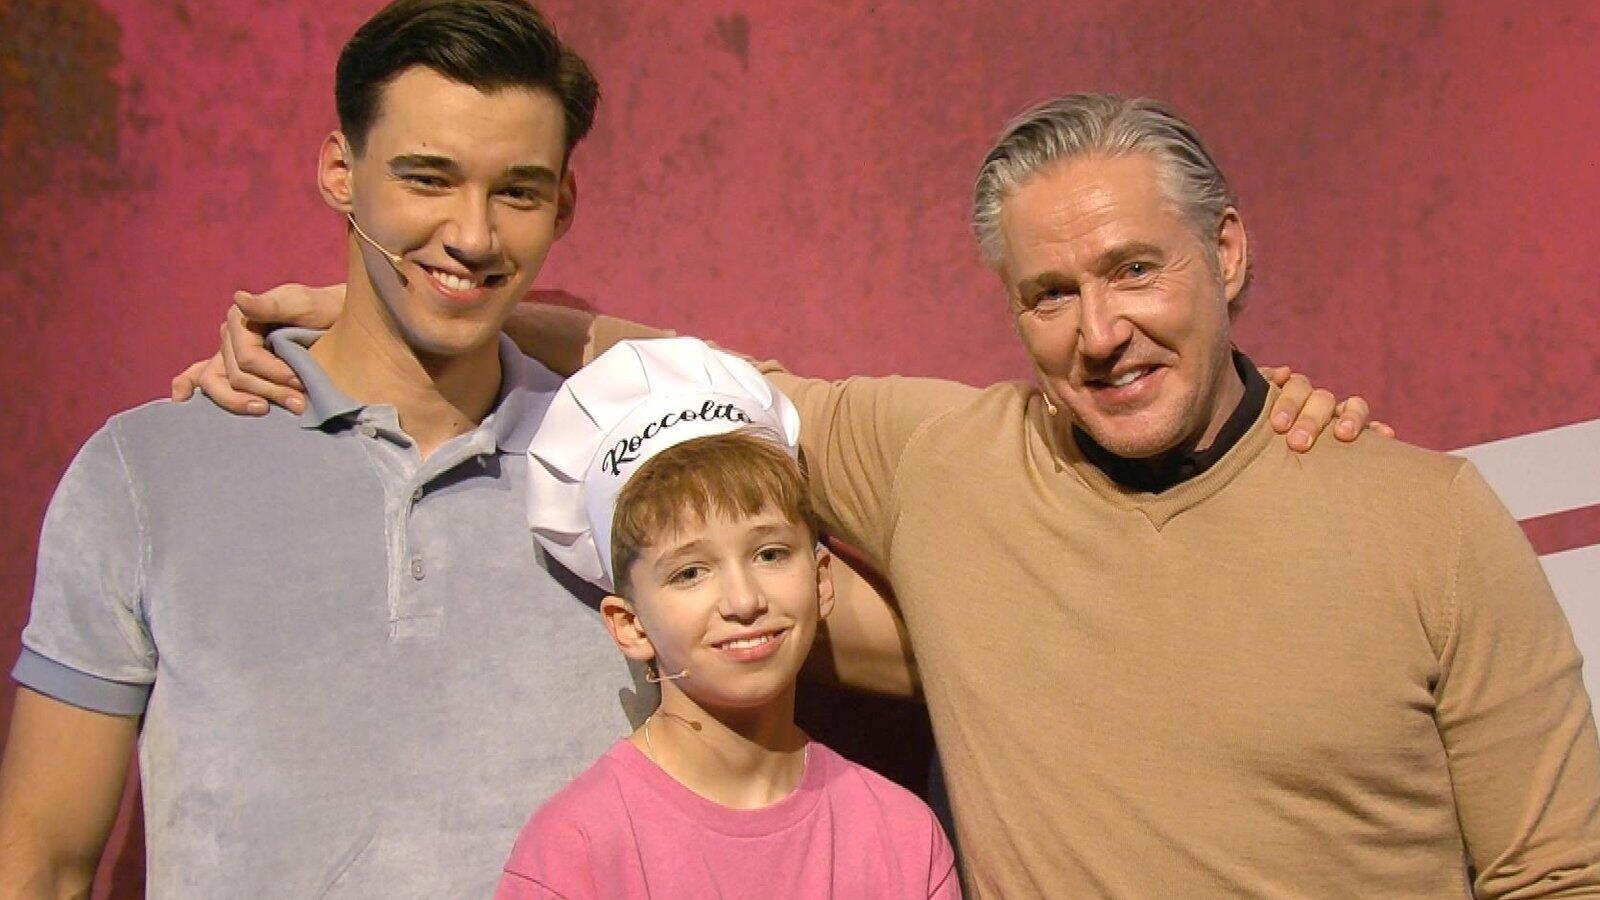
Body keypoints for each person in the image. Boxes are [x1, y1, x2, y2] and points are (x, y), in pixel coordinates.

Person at [195, 94, 1600, 897]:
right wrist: (379, 320)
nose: (1099, 331)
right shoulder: (946, 460)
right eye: (1048, 293)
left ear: (1225, 254)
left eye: (1135, 269)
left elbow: (1556, 874)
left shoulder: (1423, 517)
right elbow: (688, 376)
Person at [0, 2, 637, 896]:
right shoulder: (145, 473)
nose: (473, 235)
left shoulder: (634, 474)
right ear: (341, 171)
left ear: (562, 204)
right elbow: (40, 865)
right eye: (428, 179)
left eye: (518, 192)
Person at [496, 337, 958, 898]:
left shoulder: (901, 837)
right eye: (690, 572)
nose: (743, 601)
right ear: (630, 625)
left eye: (770, 554)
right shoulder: (578, 850)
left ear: (820, 580)